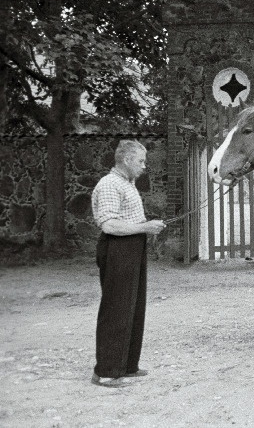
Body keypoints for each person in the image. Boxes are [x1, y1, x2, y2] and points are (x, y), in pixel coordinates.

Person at [90, 140, 166, 387]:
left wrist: (146, 227)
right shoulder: (110, 184)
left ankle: (127, 365)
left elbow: (126, 219)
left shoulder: (126, 183)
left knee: (134, 307)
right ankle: (106, 371)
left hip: (133, 247)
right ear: (126, 160)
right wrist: (145, 227)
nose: (144, 166)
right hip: (117, 248)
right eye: (141, 161)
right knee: (116, 307)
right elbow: (109, 224)